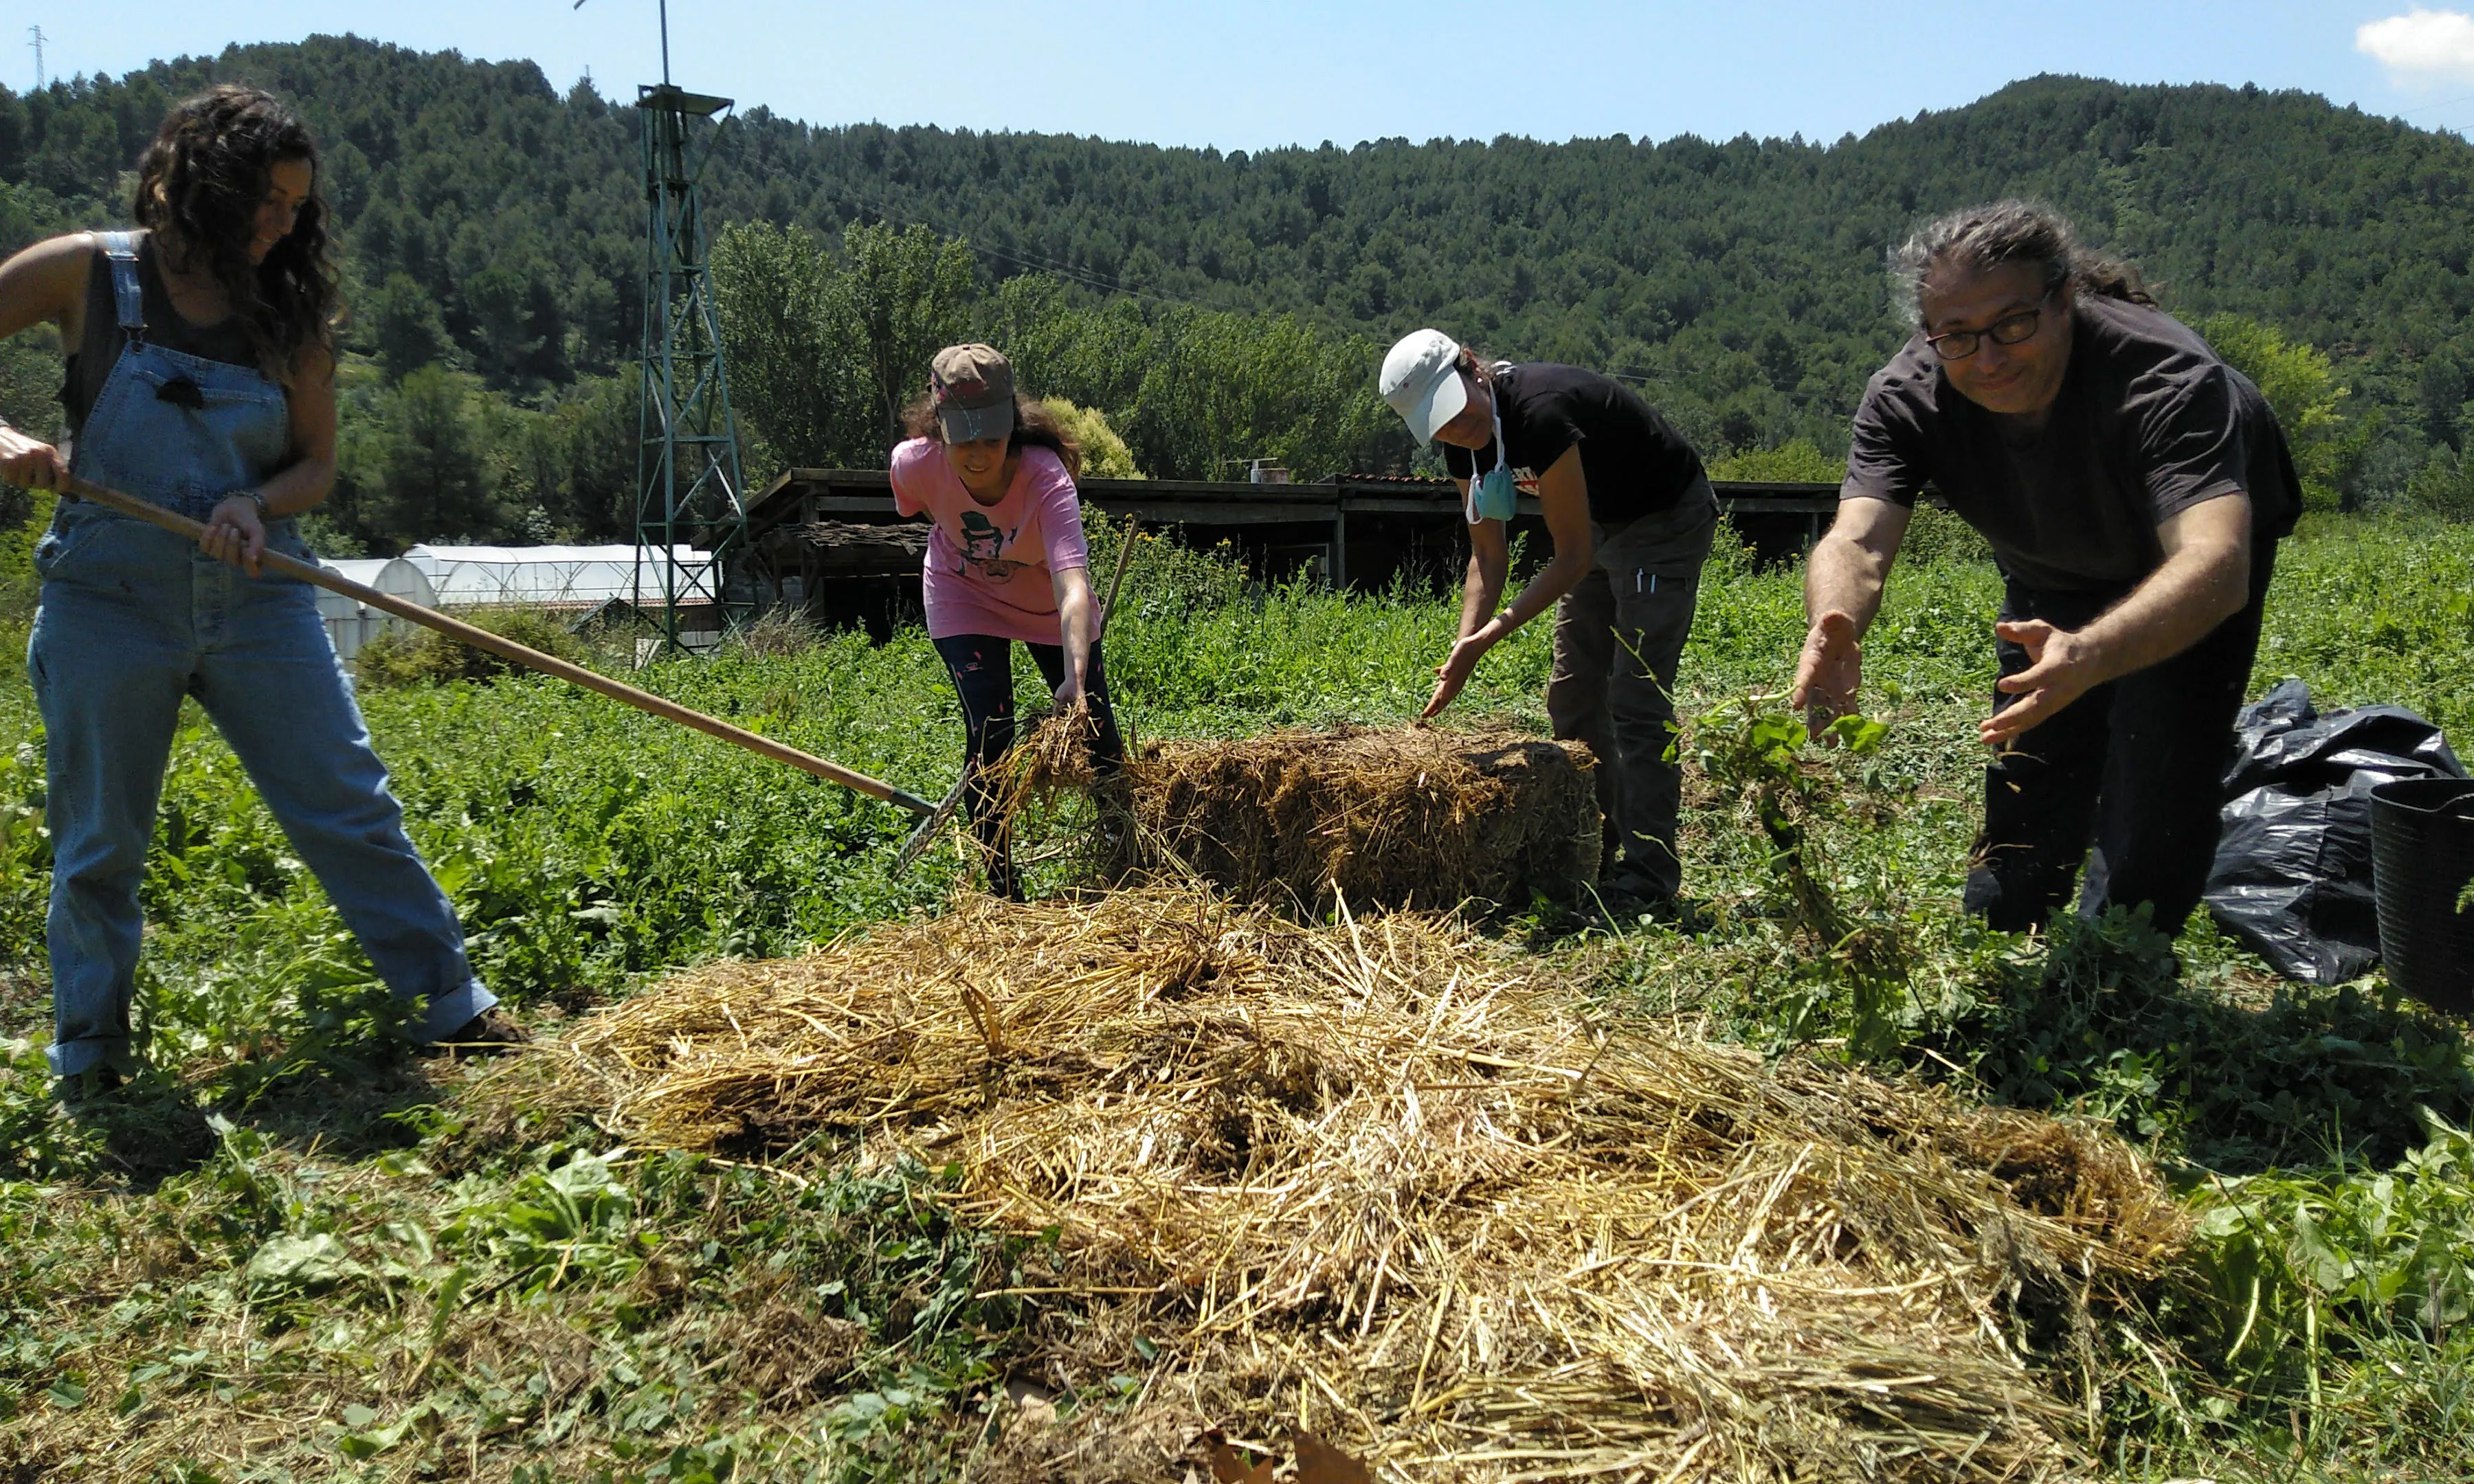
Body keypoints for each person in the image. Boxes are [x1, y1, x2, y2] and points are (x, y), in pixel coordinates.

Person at [0, 86, 515, 1093]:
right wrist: (8, 439)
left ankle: (449, 1004)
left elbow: (316, 466)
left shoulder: (291, 312)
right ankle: (92, 1055)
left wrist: (253, 500)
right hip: (109, 598)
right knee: (100, 840)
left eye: (297, 207)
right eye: (267, 201)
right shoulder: (87, 274)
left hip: (259, 593)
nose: (285, 224)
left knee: (347, 800)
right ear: (206, 186)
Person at [1794, 200, 2301, 936]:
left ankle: (2120, 966)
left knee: (2160, 768)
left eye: (2013, 324)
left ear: (2065, 299)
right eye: (1958, 336)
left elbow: (2215, 563)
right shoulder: (1909, 394)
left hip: (2183, 573)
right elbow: (1859, 541)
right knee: (2032, 756)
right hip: (2052, 567)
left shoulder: (2169, 379)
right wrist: (1834, 623)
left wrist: (2092, 652)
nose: (1989, 359)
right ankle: (2004, 931)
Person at [1379, 330, 1716, 918]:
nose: (1456, 429)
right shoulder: (1466, 450)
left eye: (1456, 411)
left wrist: (1494, 634)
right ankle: (1598, 845)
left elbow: (1573, 554)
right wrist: (1465, 648)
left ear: (1472, 368)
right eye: (1439, 424)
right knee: (1573, 696)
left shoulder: (1540, 410)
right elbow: (1488, 557)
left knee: (1635, 697)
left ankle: (1650, 873)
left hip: (1663, 518)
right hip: (1599, 525)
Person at [892, 344, 1124, 899]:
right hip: (963, 593)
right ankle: (1000, 889)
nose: (978, 456)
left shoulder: (1046, 481)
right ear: (939, 427)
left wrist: (1073, 676)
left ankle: (1126, 861)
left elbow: (1071, 587)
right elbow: (926, 511)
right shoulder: (913, 464)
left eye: (992, 441)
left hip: (1047, 603)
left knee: (1099, 736)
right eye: (963, 441)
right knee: (991, 731)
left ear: (1012, 428)